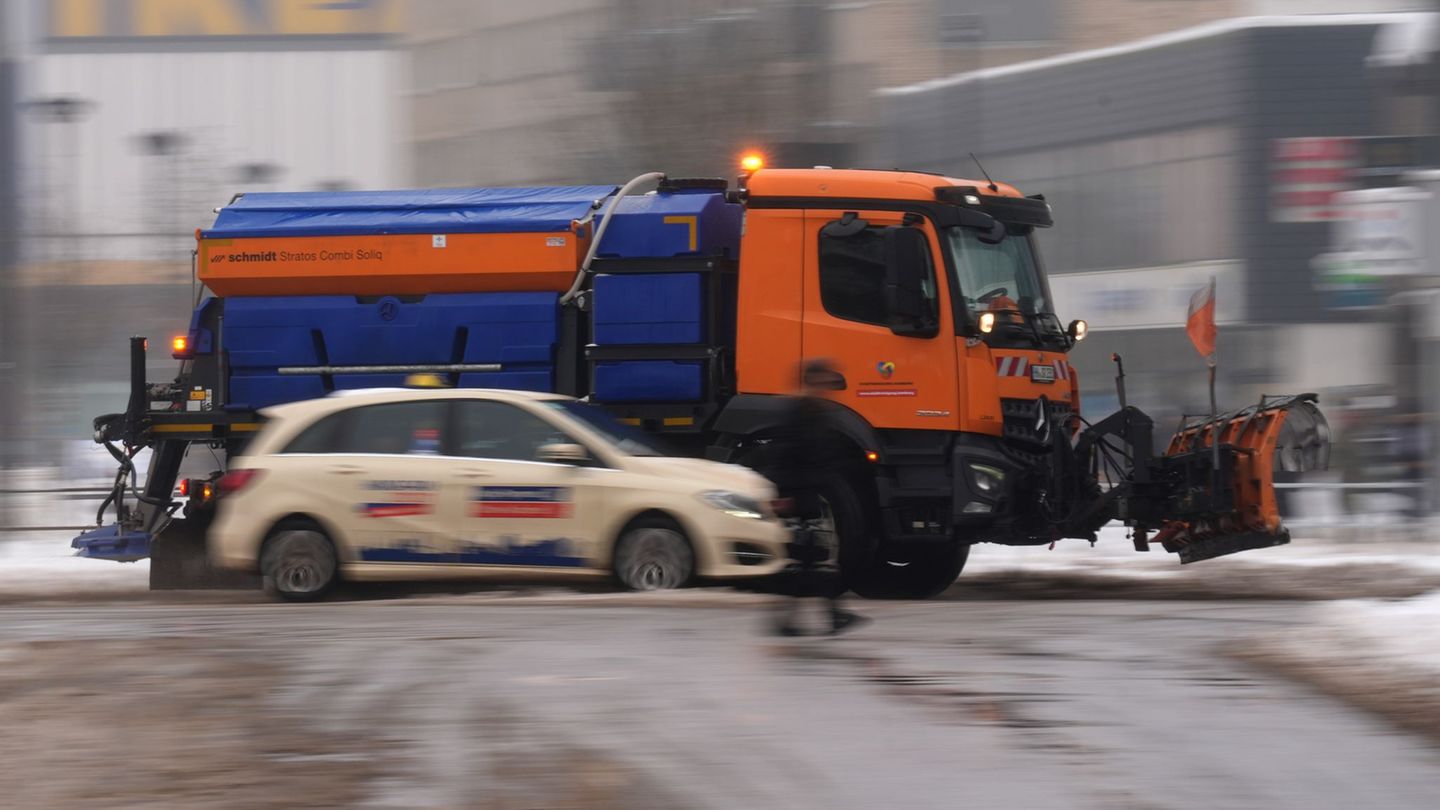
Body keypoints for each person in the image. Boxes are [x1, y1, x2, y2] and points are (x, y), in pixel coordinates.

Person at [770, 359, 868, 636]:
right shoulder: (799, 411)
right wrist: (784, 494)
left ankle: (793, 620)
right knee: (811, 559)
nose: (829, 386)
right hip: (800, 495)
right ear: (812, 381)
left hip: (811, 493)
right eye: (824, 381)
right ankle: (827, 616)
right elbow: (785, 456)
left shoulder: (816, 410)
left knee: (809, 560)